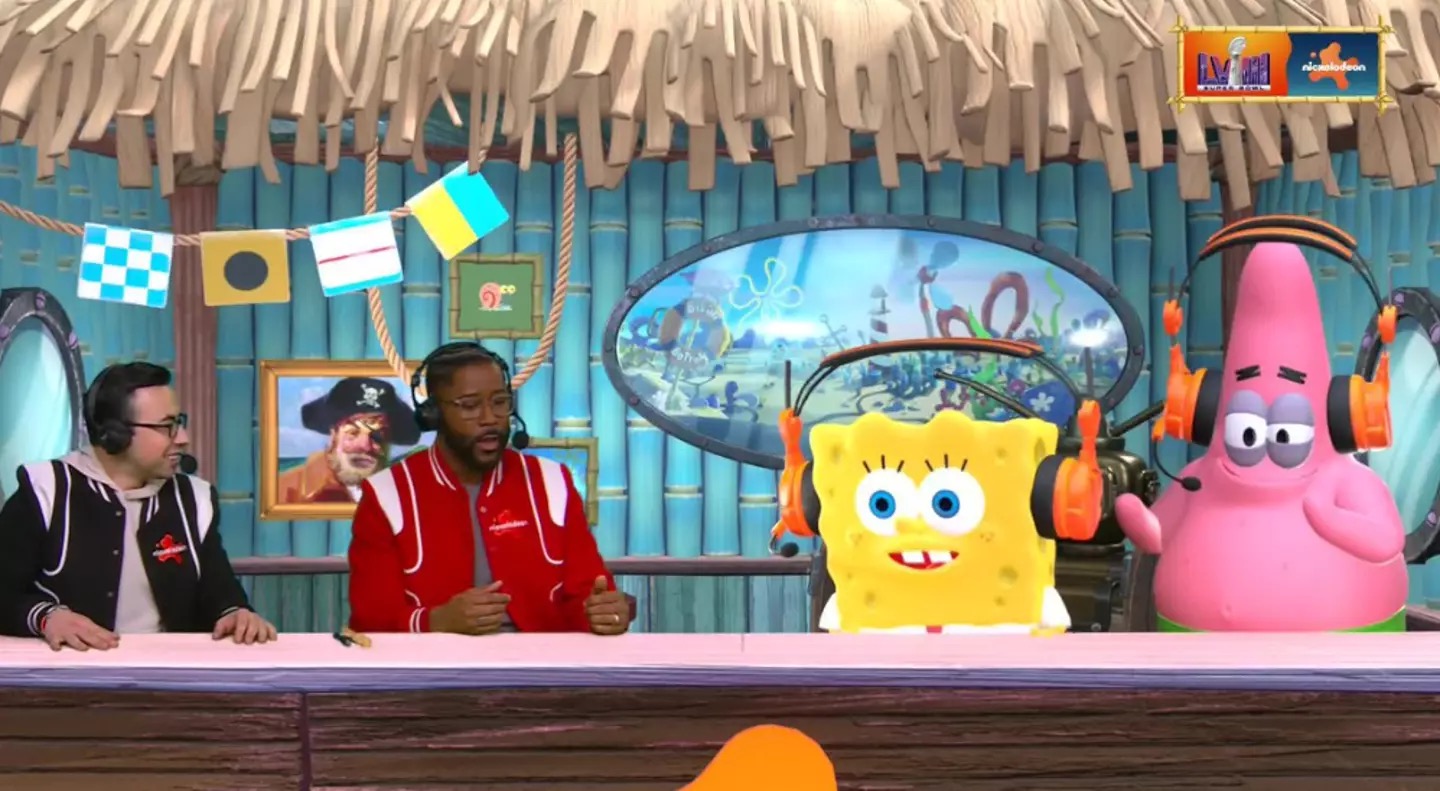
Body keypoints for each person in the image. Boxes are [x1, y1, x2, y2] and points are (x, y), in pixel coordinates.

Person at [347, 342, 630, 635]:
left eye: (499, 402)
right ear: (434, 414)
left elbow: (588, 594)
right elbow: (370, 619)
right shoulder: (386, 494)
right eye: (470, 406)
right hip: (434, 663)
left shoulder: (553, 481)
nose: (490, 418)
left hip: (540, 662)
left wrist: (603, 613)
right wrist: (437, 621)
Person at [0, 362, 276, 650]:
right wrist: (46, 617)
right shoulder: (46, 490)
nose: (183, 439)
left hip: (171, 670)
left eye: (180, 422)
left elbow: (220, 592)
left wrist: (236, 613)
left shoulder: (195, 499)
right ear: (114, 433)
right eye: (167, 426)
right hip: (67, 671)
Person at [275, 377, 419, 504]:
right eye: (353, 433)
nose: (364, 446)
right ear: (334, 436)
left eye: (377, 436)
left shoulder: (405, 497)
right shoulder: (285, 492)